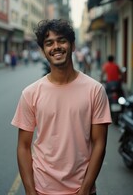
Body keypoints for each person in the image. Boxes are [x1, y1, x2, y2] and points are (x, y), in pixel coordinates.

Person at [11, 19, 112, 195]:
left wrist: (85, 190)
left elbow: (99, 144)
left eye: (62, 40)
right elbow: (23, 147)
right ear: (43, 51)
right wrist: (30, 191)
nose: (56, 46)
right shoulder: (30, 93)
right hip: (42, 189)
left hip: (83, 189)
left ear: (72, 45)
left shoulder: (95, 90)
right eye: (49, 43)